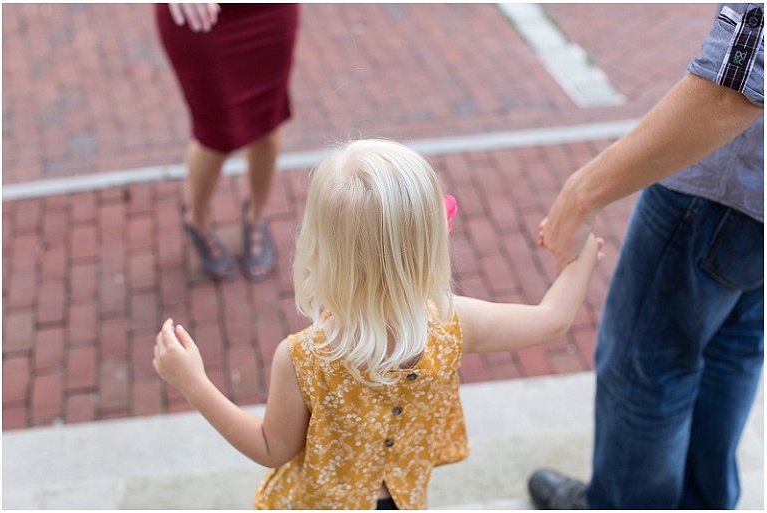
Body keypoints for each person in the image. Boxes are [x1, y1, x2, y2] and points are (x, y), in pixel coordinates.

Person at [153, 138, 605, 509]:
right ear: (433, 243)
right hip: (399, 499)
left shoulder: (305, 358)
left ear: (320, 251)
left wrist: (193, 383)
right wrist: (580, 252)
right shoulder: (451, 322)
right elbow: (551, 320)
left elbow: (271, 447)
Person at [528, 3, 763, 509]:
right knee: (732, 349)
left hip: (717, 189)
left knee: (647, 366)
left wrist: (581, 193)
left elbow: (736, 86)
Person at [155, 3, 300, 281]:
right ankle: (196, 220)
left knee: (268, 125)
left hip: (269, 13)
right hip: (200, 19)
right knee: (215, 135)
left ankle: (257, 216)